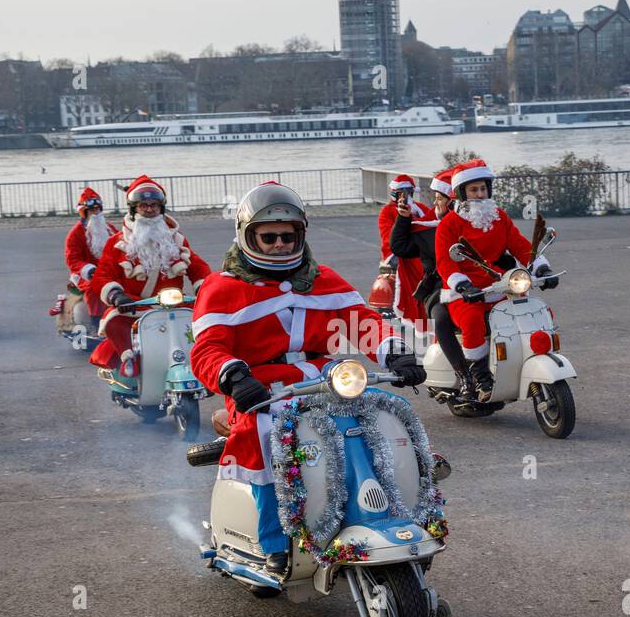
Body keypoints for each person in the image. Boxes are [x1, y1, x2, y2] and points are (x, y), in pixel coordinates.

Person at [189, 181, 425, 573]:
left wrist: (396, 352)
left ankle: (411, 500)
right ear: (248, 237)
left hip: (324, 375)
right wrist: (232, 376)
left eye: (289, 235)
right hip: (259, 387)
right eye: (269, 237)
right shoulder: (222, 288)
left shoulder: (323, 278)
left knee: (392, 408)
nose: (280, 244)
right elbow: (207, 349)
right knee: (266, 434)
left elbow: (364, 322)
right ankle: (274, 539)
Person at [434, 159, 554, 402]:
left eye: (483, 188)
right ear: (461, 193)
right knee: (471, 320)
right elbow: (444, 263)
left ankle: (531, 358)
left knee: (529, 310)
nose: (479, 194)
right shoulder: (449, 224)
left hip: (501, 285)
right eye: (473, 190)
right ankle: (480, 377)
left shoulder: (498, 216)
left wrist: (541, 268)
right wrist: (463, 285)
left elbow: (520, 245)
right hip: (467, 292)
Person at [89, 176, 210, 373]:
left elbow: (197, 266)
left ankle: (203, 361)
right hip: (134, 305)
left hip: (174, 303)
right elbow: (103, 274)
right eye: (143, 205)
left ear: (161, 207)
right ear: (133, 208)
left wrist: (204, 287)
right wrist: (116, 295)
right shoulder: (116, 242)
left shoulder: (176, 240)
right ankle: (128, 360)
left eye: (154, 205)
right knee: (114, 320)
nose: (149, 209)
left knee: (206, 322)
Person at [391, 168, 474, 401]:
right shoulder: (428, 229)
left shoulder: (476, 224)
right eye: (435, 198)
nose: (435, 203)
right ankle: (465, 377)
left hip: (478, 284)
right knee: (441, 318)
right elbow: (400, 247)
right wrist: (403, 218)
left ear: (453, 201)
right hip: (439, 288)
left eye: (439, 198)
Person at [376, 174, 438, 328]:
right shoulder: (387, 211)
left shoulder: (421, 208)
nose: (406, 195)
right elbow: (388, 237)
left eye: (409, 192)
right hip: (402, 252)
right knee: (419, 269)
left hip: (422, 249)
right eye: (402, 192)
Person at [61, 187, 116, 328]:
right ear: (84, 212)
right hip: (84, 274)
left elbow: (121, 246)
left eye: (98, 209)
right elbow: (72, 260)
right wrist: (89, 270)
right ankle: (96, 323)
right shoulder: (75, 234)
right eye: (92, 210)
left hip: (109, 270)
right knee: (94, 287)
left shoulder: (109, 228)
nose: (95, 213)